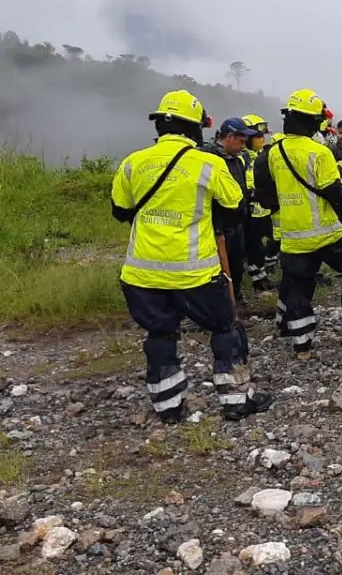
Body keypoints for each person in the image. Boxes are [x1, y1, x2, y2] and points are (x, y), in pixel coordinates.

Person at [110, 90, 272, 423]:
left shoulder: (132, 162)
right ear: (196, 127)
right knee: (225, 328)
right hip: (195, 273)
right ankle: (236, 400)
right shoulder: (208, 163)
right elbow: (235, 207)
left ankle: (169, 408)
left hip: (141, 275)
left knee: (160, 335)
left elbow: (120, 211)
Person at [253, 89, 342, 357]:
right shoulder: (319, 152)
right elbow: (334, 192)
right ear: (314, 120)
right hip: (328, 234)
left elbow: (267, 200)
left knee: (299, 288)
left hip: (292, 237)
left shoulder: (272, 153)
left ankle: (302, 345)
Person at [199, 117, 259, 306]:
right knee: (216, 269)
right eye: (241, 141)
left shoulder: (237, 161)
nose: (243, 146)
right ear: (230, 137)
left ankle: (236, 297)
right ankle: (216, 305)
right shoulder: (209, 159)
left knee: (236, 266)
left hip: (237, 224)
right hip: (217, 227)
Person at [241, 114, 275, 292]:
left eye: (262, 136)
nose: (261, 139)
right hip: (250, 210)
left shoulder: (264, 155)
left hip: (266, 208)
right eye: (257, 136)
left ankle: (266, 266)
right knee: (253, 244)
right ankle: (257, 277)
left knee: (273, 238)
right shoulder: (241, 158)